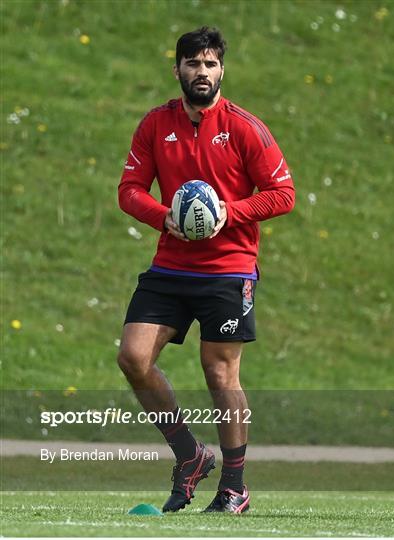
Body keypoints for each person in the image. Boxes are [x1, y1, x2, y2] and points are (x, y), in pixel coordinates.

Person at [117, 26, 295, 514]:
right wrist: (164, 216)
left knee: (220, 374)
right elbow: (129, 188)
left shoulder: (244, 127)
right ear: (177, 69)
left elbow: (283, 194)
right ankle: (190, 455)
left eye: (211, 64)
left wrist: (226, 213)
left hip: (228, 269)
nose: (202, 72)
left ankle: (234, 488)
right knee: (133, 357)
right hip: (170, 267)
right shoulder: (156, 124)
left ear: (222, 70)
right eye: (194, 64)